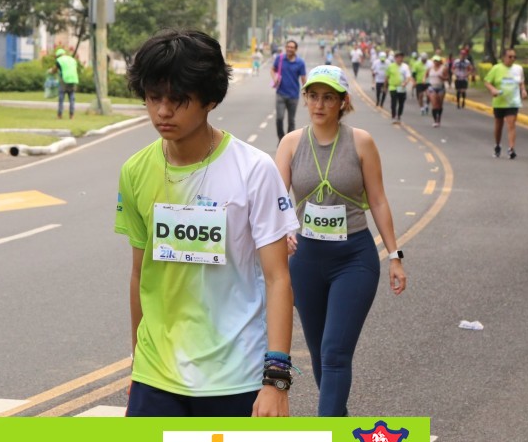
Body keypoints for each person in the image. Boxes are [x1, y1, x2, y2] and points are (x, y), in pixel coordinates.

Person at [115, 29, 299, 417]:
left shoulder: (254, 170)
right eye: (153, 97)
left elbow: (277, 278)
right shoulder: (135, 171)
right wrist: (137, 363)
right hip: (156, 375)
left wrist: (276, 380)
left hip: (236, 375)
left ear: (210, 99)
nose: (163, 111)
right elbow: (139, 274)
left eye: (178, 99)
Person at [274, 65, 407, 416]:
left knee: (335, 352)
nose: (319, 105)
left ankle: (326, 436)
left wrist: (394, 255)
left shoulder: (361, 142)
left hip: (353, 259)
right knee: (320, 355)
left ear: (342, 102)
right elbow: (276, 200)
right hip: (306, 262)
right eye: (313, 96)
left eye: (328, 98)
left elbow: (378, 200)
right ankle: (339, 423)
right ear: (305, 99)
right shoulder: (291, 143)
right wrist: (285, 231)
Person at [484, 48, 527, 159]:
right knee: (498, 125)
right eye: (510, 57)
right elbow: (487, 81)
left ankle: (511, 149)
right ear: (504, 57)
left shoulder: (518, 69)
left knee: (511, 124)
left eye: (514, 57)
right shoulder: (496, 68)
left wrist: (523, 90)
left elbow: (521, 82)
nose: (512, 59)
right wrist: (492, 89)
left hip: (513, 102)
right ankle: (497, 145)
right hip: (499, 101)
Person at [270, 40, 308, 142]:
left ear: (296, 49)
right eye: (288, 47)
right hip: (280, 94)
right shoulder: (280, 59)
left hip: (293, 96)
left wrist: (306, 96)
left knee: (291, 121)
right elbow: (272, 69)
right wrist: (274, 78)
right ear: (285, 48)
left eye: (292, 47)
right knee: (279, 118)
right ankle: (281, 139)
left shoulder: (300, 63)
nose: (289, 49)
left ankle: (289, 142)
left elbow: (303, 80)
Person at [386, 51, 413, 123]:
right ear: (395, 58)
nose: (400, 59)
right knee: (394, 102)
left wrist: (405, 83)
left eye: (401, 57)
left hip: (402, 87)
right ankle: (393, 116)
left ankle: (399, 115)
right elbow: (387, 77)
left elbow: (408, 77)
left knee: (401, 103)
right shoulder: (391, 66)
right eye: (398, 57)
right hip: (393, 87)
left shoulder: (405, 67)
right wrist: (385, 86)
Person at [52, 48, 79, 119]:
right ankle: (71, 115)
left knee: (61, 98)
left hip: (64, 80)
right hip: (73, 79)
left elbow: (54, 70)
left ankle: (59, 115)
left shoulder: (59, 60)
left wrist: (51, 71)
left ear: (58, 55)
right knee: (72, 98)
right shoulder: (72, 59)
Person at [425, 55, 448, 127]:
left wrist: (443, 78)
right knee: (434, 105)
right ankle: (435, 121)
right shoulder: (430, 69)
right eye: (435, 61)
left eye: (437, 61)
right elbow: (425, 76)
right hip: (432, 88)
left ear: (440, 62)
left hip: (440, 88)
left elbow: (447, 78)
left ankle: (439, 118)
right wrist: (425, 84)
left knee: (440, 105)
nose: (436, 62)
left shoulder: (443, 68)